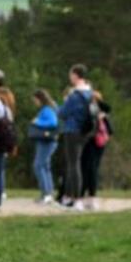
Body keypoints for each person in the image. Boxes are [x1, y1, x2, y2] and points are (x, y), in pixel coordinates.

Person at [57, 64, 94, 212]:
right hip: (85, 131)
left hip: (72, 130)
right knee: (76, 164)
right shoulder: (89, 93)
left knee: (73, 165)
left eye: (71, 75)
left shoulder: (75, 95)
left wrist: (63, 103)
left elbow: (62, 113)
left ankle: (76, 199)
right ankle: (72, 197)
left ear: (76, 75)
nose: (70, 77)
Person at [79, 91, 113, 211]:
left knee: (90, 169)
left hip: (94, 142)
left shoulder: (99, 112)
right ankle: (87, 196)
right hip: (96, 142)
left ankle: (90, 197)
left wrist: (96, 102)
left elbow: (108, 108)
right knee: (89, 169)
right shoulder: (95, 112)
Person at [29, 89, 60, 205]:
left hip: (46, 141)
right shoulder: (54, 106)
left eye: (35, 100)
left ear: (39, 99)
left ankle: (46, 194)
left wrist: (37, 121)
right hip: (50, 140)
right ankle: (48, 193)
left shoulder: (47, 109)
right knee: (45, 166)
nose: (34, 103)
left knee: (38, 165)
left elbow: (53, 122)